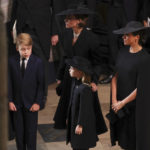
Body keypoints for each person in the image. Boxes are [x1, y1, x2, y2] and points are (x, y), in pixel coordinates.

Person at [53, 4, 107, 133]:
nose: (65, 20)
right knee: (68, 105)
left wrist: (94, 80)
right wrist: (59, 77)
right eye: (66, 18)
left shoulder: (91, 38)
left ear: (78, 21)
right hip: (68, 76)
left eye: (69, 18)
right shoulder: (66, 35)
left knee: (83, 108)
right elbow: (64, 57)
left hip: (85, 78)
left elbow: (97, 63)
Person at [108, 21, 150, 150]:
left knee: (133, 139)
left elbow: (142, 87)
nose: (123, 37)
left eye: (127, 35)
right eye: (123, 35)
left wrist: (123, 103)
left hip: (135, 106)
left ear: (136, 37)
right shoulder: (122, 52)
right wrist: (115, 100)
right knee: (122, 138)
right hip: (119, 103)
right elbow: (115, 76)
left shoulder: (145, 58)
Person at [9, 0, 61, 101]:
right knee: (23, 63)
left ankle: (41, 96)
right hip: (22, 26)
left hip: (42, 27)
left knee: (41, 62)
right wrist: (12, 26)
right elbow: (15, 5)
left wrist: (55, 32)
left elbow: (57, 8)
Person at [8, 33, 44, 150]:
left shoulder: (38, 62)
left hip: (31, 105)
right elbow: (9, 83)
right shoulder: (11, 61)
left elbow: (41, 85)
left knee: (31, 133)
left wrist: (37, 102)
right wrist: (10, 100)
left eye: (28, 49)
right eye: (23, 49)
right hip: (17, 104)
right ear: (17, 48)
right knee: (19, 134)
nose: (26, 52)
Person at [66, 56, 101, 150]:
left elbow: (84, 108)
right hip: (75, 121)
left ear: (79, 72)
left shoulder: (84, 89)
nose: (69, 69)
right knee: (76, 145)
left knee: (81, 145)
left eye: (72, 68)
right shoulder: (76, 84)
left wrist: (80, 124)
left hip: (81, 125)